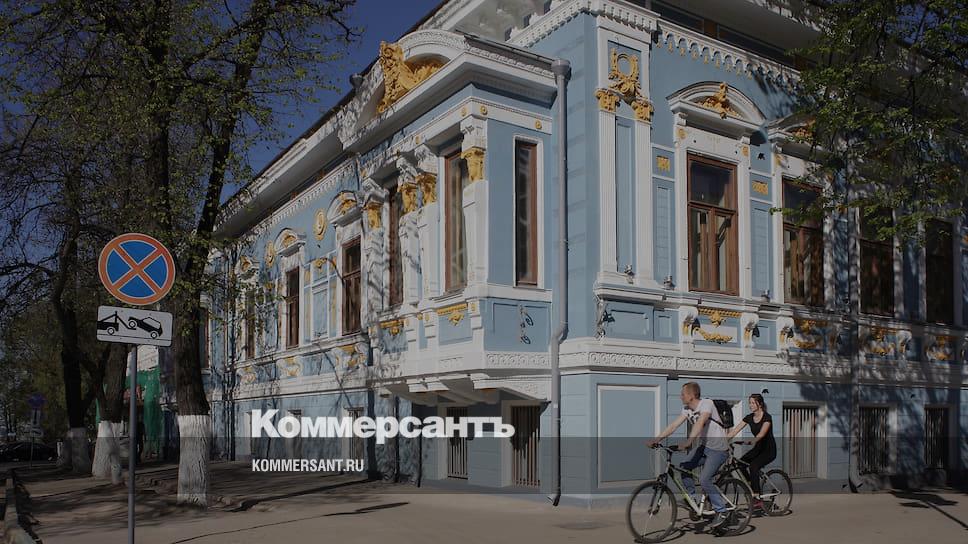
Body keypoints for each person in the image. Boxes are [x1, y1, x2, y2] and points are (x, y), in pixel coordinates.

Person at [648, 382, 730, 529]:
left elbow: (700, 422)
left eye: (683, 394)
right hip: (704, 448)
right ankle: (693, 499)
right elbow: (673, 426)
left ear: (691, 395)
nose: (680, 396)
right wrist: (657, 439)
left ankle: (722, 511)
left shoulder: (707, 404)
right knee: (684, 467)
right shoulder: (687, 409)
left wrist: (689, 442)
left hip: (719, 450)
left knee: (704, 479)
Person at [726, 394, 776, 508]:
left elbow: (762, 434)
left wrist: (753, 440)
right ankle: (751, 486)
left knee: (753, 466)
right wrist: (721, 440)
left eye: (753, 403)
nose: (750, 405)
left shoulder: (767, 417)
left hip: (768, 450)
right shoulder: (749, 417)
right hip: (757, 449)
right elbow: (734, 431)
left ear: (760, 404)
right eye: (750, 403)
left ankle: (757, 498)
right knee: (740, 464)